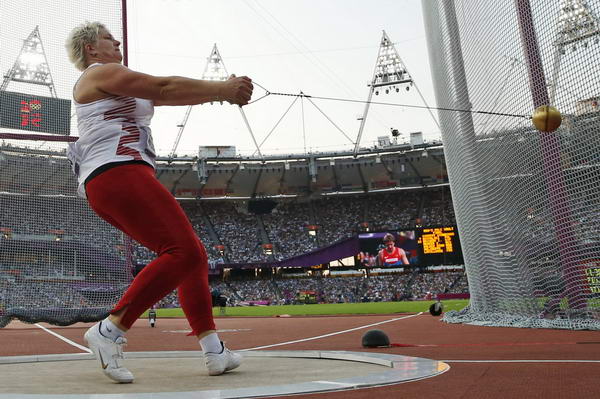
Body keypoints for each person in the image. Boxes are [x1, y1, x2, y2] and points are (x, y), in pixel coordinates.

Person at [65, 21, 253, 383]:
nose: (117, 42)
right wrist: (225, 89)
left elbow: (167, 93)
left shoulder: (114, 81)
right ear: (92, 49)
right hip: (117, 172)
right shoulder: (101, 72)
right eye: (108, 39)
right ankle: (109, 329)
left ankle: (214, 351)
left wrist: (220, 90)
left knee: (192, 255)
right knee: (182, 251)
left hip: (113, 178)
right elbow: (162, 86)